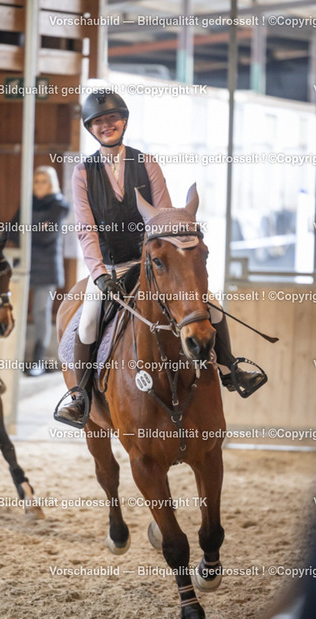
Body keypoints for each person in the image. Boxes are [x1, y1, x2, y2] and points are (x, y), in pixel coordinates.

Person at [55, 89, 266, 426]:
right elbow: (86, 231)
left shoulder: (146, 163)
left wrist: (164, 259)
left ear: (124, 121)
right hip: (111, 268)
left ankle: (231, 368)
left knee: (210, 305)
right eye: (98, 121)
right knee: (89, 320)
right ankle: (80, 396)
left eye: (112, 118)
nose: (107, 125)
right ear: (90, 128)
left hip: (152, 263)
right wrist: (99, 275)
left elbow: (162, 220)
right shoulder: (83, 172)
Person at [8, 166, 69, 376]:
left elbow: (47, 236)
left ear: (52, 184)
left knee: (41, 312)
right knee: (16, 309)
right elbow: (12, 231)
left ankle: (38, 360)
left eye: (44, 181)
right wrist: (37, 228)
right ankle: (13, 357)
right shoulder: (28, 202)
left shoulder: (59, 205)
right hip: (24, 263)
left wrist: (27, 230)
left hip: (47, 266)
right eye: (37, 181)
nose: (40, 185)